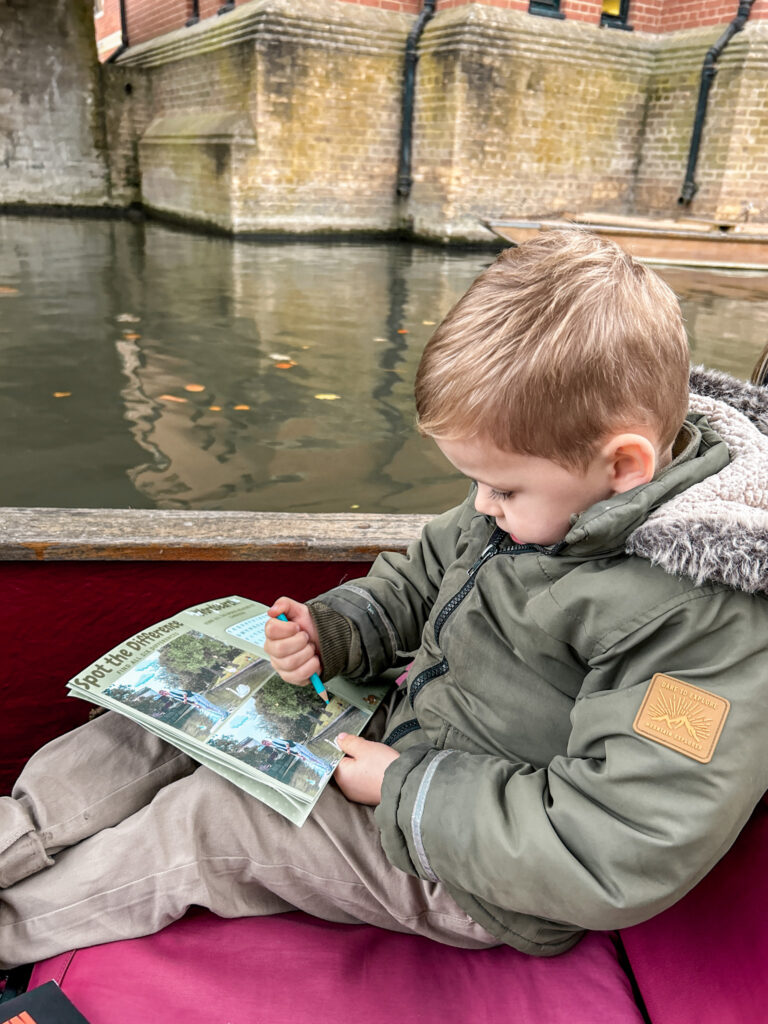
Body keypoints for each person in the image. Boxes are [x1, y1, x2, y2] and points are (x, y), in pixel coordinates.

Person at [1, 231, 767, 968]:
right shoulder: (550, 492)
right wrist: (336, 630)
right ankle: (16, 834)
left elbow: (619, 843)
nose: (481, 505)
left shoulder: (698, 624)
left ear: (625, 464)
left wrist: (403, 789)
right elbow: (424, 572)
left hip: (475, 871)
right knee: (172, 707)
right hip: (407, 732)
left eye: (501, 486)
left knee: (210, 820)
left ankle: (14, 931)